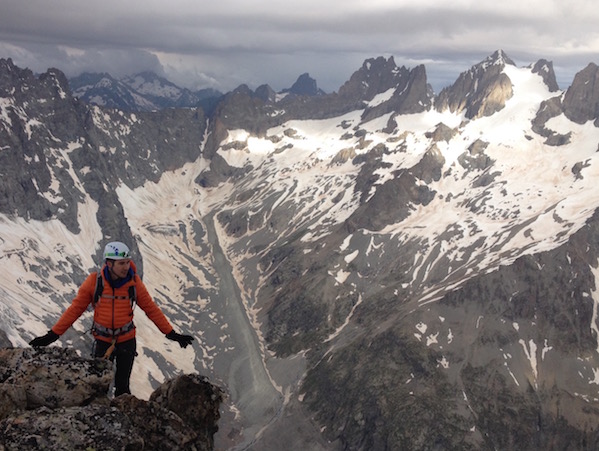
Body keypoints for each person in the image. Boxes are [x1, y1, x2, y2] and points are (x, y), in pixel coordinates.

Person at [29, 241, 194, 396]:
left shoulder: (134, 283)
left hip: (126, 341)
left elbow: (151, 309)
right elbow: (75, 310)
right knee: (97, 386)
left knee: (122, 388)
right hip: (102, 341)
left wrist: (171, 334)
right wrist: (52, 335)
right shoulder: (94, 282)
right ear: (109, 264)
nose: (126, 267)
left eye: (127, 262)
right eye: (121, 263)